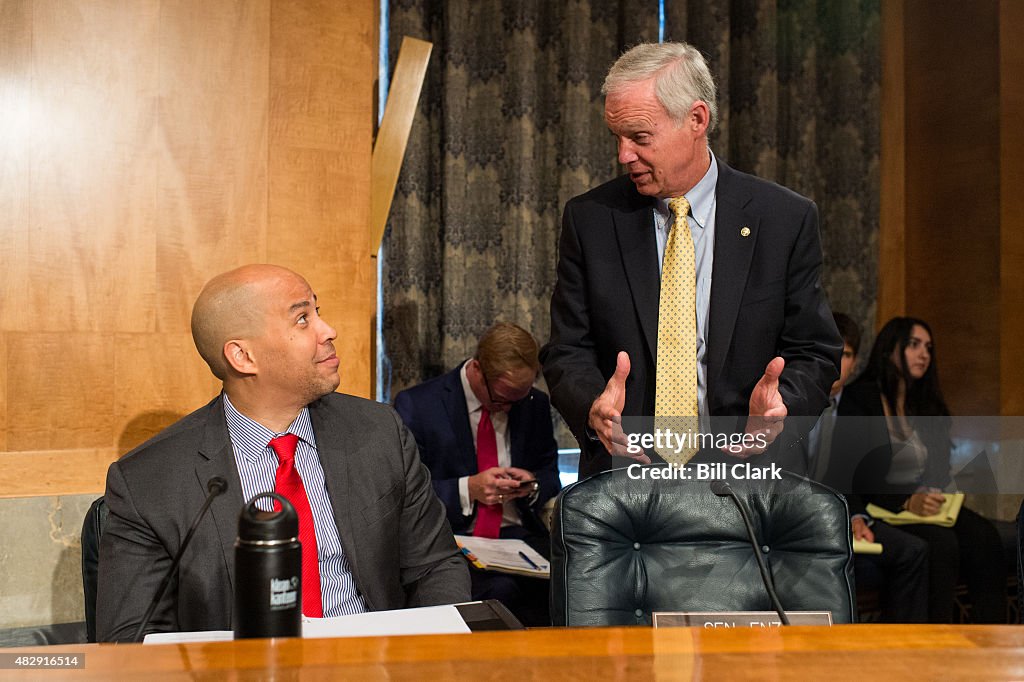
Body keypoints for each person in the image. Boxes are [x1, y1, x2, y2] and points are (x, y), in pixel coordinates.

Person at [96, 264, 470, 642]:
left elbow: (435, 567)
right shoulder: (148, 482)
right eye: (303, 319)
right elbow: (131, 638)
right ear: (243, 357)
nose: (329, 331)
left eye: (317, 312)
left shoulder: (380, 432)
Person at [541, 41, 841, 478]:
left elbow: (815, 352)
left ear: (696, 119)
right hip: (628, 481)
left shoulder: (783, 219)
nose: (623, 155)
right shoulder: (591, 220)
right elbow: (566, 351)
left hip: (745, 479)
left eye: (640, 137)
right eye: (618, 138)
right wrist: (594, 407)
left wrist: (781, 409)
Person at [833, 317, 1007, 623]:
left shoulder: (924, 402)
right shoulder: (862, 398)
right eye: (913, 345)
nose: (923, 354)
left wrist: (934, 491)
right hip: (882, 503)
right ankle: (934, 644)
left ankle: (989, 640)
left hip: (924, 503)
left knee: (985, 536)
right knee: (942, 544)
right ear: (890, 349)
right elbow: (855, 474)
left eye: (928, 347)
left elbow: (939, 467)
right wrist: (906, 500)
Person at [394, 322, 561, 626]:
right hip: (455, 537)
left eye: (520, 399)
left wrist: (531, 484)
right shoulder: (418, 406)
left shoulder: (533, 404)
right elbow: (405, 494)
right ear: (476, 371)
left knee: (567, 583)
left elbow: (550, 472)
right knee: (501, 593)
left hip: (520, 538)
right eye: (502, 399)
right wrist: (468, 489)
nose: (510, 408)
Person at [812, 313, 928, 623]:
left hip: (845, 513)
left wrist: (855, 516)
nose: (838, 361)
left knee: (913, 550)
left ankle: (900, 657)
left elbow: (853, 479)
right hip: (798, 513)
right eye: (830, 350)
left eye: (846, 354)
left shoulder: (856, 405)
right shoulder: (792, 402)